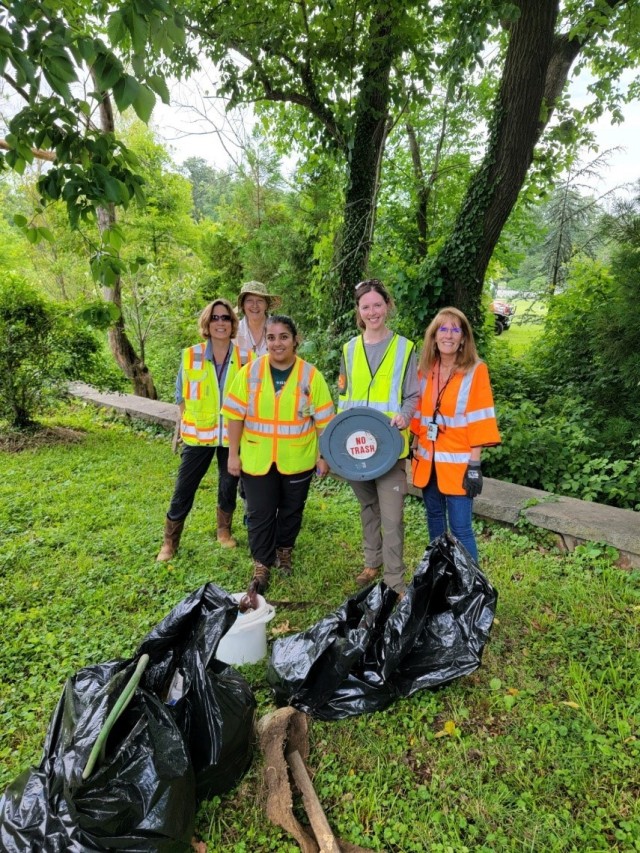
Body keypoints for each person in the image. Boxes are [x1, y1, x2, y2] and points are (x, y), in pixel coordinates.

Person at [223, 315, 335, 594]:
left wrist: (324, 456)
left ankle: (284, 551)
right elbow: (235, 415)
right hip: (257, 458)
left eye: (284, 336)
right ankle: (262, 563)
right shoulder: (249, 373)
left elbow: (324, 421)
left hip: (297, 458)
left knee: (290, 511)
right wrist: (232, 454)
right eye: (271, 338)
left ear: (296, 340)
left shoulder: (311, 376)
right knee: (259, 513)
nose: (277, 343)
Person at [337, 279, 419, 596]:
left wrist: (405, 416)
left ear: (388, 305)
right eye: (366, 306)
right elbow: (343, 398)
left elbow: (412, 395)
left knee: (392, 516)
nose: (373, 312)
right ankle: (372, 563)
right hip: (356, 448)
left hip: (389, 448)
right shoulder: (348, 349)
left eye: (377, 305)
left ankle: (394, 578)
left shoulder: (404, 348)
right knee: (368, 507)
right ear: (358, 311)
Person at [156, 299, 253, 561]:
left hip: (231, 436)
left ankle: (224, 530)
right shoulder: (191, 355)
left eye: (225, 318)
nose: (220, 323)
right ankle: (170, 542)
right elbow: (181, 393)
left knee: (228, 483)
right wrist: (188, 420)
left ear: (233, 324)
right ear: (206, 323)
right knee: (184, 487)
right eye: (215, 318)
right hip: (198, 435)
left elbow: (252, 397)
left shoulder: (247, 358)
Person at [410, 306, 501, 563]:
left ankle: (469, 587)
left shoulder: (475, 370)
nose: (448, 335)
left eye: (455, 329)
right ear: (434, 336)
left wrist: (475, 464)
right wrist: (415, 442)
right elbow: (419, 412)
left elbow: (480, 419)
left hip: (460, 465)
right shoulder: (425, 369)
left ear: (463, 338)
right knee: (435, 520)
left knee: (461, 529)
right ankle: (439, 576)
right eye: (443, 329)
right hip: (428, 462)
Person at [233, 280, 281, 356]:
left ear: (266, 305)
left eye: (260, 301)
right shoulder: (233, 331)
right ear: (243, 305)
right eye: (249, 301)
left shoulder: (279, 329)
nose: (255, 305)